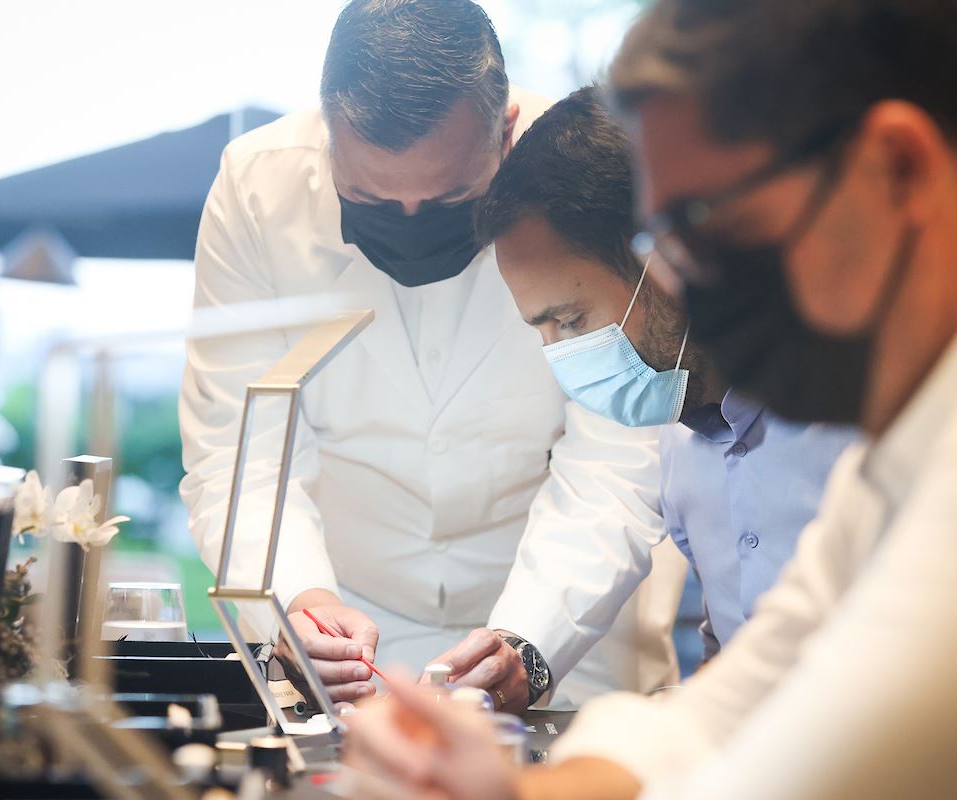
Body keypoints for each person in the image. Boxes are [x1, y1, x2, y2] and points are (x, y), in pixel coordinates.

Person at [342, 1, 957, 797]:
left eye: (701, 227)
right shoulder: (906, 428)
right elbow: (745, 694)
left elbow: (811, 766)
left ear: (896, 169)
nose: (675, 283)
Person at [180, 0, 686, 712]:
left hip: (577, 626)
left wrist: (529, 644)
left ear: (504, 131)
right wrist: (298, 601)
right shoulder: (257, 190)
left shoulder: (577, 171)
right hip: (349, 626)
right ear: (329, 137)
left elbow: (619, 451)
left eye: (451, 197)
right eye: (370, 200)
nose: (411, 226)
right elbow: (239, 455)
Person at [466, 86, 858, 663]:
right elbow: (733, 659)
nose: (563, 357)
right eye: (541, 332)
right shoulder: (682, 440)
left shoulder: (853, 422)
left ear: (666, 260)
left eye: (573, 322)